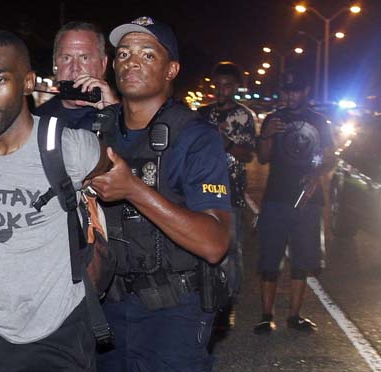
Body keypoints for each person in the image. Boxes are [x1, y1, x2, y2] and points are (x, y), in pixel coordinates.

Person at [0, 30, 108, 371]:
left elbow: (117, 176)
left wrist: (111, 110)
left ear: (28, 82)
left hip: (61, 330)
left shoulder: (70, 147)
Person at [89, 16, 231, 371]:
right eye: (123, 53)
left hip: (175, 312)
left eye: (148, 55)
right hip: (106, 303)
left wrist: (134, 189)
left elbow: (215, 243)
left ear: (172, 69)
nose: (132, 61)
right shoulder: (97, 130)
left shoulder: (197, 138)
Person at [253, 71, 335, 334]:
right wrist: (266, 135)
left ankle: (295, 316)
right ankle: (267, 316)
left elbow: (331, 157)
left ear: (306, 90)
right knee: (270, 260)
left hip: (308, 201)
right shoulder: (273, 119)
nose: (289, 96)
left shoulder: (319, 122)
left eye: (295, 91)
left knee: (302, 259)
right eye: (286, 91)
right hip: (276, 198)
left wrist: (316, 173)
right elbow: (263, 158)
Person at [198, 62, 256, 316]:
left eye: (228, 86)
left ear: (236, 87)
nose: (222, 91)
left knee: (230, 248)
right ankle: (205, 297)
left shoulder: (244, 116)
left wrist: (226, 143)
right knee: (201, 246)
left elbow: (248, 155)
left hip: (230, 191)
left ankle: (228, 302)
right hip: (200, 192)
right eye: (219, 85)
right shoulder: (201, 114)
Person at [35, 21, 119, 130]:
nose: (75, 68)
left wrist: (115, 116)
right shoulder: (38, 120)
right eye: (66, 58)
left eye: (85, 58)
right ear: (55, 64)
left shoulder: (123, 117)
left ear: (103, 64)